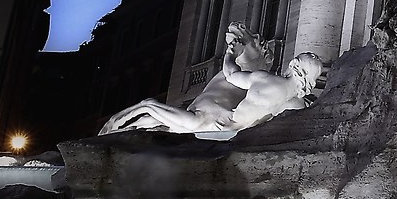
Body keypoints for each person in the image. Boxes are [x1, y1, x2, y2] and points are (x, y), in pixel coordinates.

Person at [102, 25, 324, 136]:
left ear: (293, 65)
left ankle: (119, 124)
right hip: (228, 127)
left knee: (155, 111)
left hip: (218, 124)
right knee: (161, 122)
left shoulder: (267, 80)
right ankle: (124, 126)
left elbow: (231, 75)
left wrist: (230, 53)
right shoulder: (293, 103)